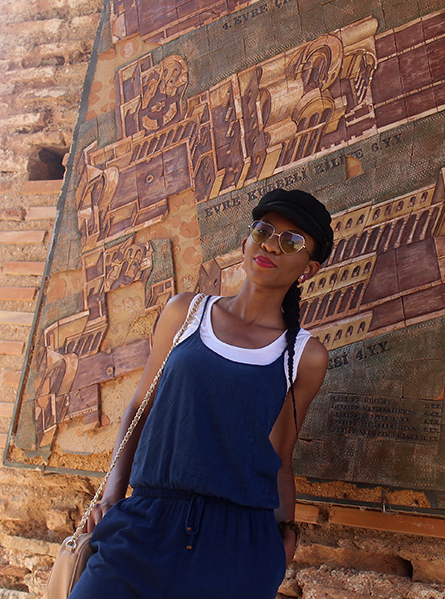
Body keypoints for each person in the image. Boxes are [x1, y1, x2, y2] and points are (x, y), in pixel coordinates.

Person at [67, 188, 332, 599]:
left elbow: (280, 455)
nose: (270, 246)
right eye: (263, 231)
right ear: (246, 242)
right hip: (144, 523)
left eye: (291, 241)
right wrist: (113, 494)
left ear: (308, 269)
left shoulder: (305, 355)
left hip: (237, 546)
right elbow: (141, 404)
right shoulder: (186, 313)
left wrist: (286, 534)